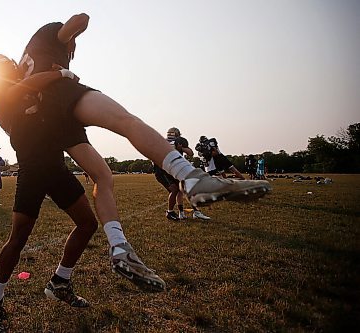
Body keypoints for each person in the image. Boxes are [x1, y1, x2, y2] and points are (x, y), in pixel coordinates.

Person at [16, 12, 270, 286]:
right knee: (126, 121)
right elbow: (80, 19)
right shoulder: (52, 35)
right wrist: (71, 38)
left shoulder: (27, 58)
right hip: (58, 95)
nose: (74, 51)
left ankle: (120, 247)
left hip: (45, 119)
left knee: (103, 176)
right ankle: (192, 177)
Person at [0, 55, 100, 331]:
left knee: (88, 224)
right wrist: (61, 75)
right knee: (18, 238)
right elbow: (22, 89)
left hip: (56, 166)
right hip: (32, 168)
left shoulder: (28, 85)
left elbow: (66, 97)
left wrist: (64, 75)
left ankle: (60, 281)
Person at [153, 128, 210, 221]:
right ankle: (170, 212)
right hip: (162, 171)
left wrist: (181, 148)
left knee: (183, 188)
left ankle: (187, 212)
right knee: (175, 189)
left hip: (172, 170)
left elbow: (190, 153)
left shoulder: (177, 142)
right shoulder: (163, 143)